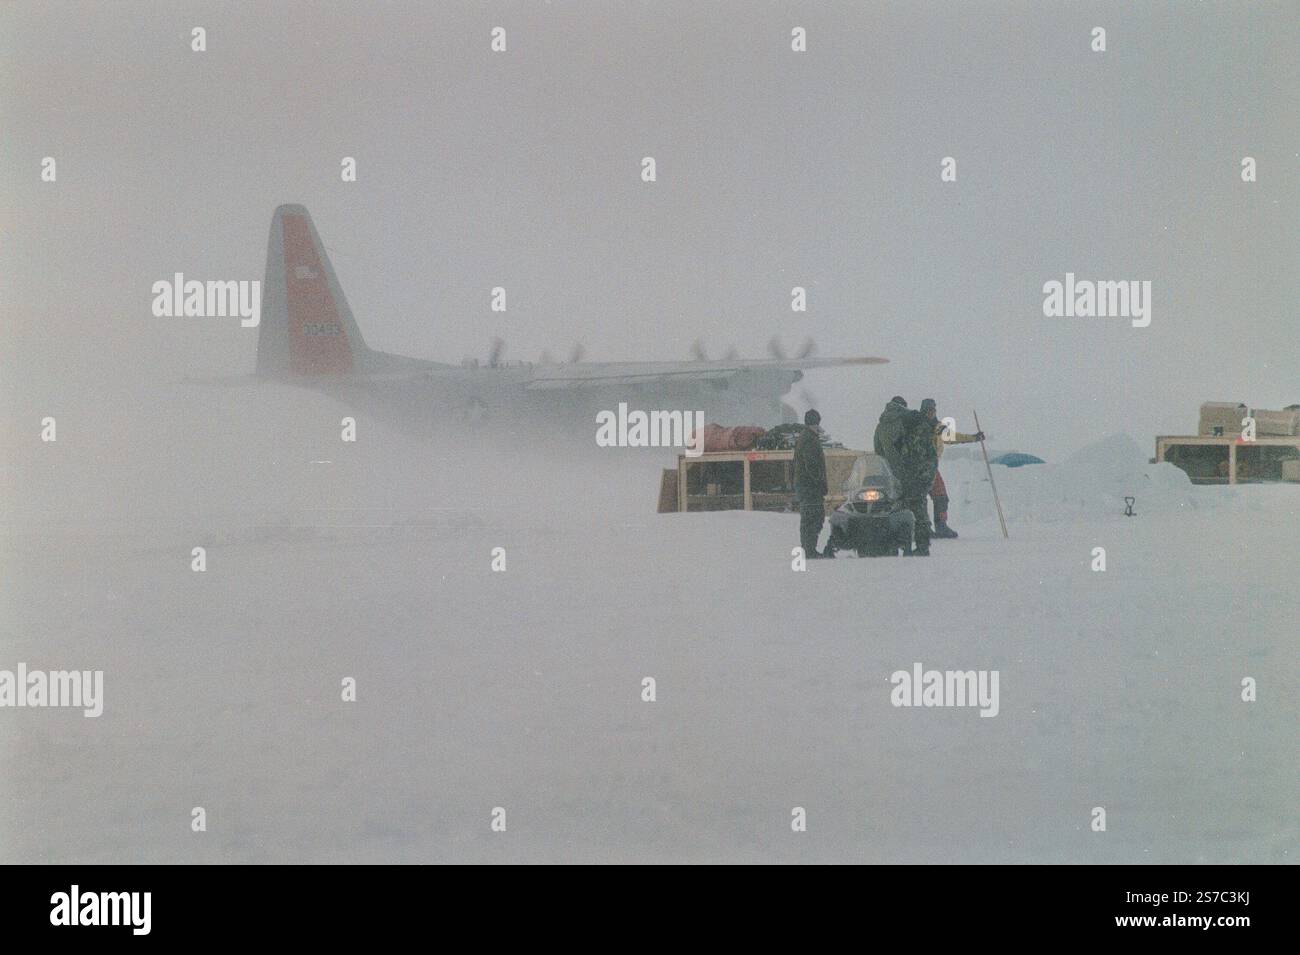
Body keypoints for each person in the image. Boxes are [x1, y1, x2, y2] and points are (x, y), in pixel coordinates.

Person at [873, 397, 937, 555]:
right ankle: (921, 546)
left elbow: (878, 451)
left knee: (895, 510)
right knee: (918, 509)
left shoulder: (881, 425)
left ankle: (895, 546)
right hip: (910, 473)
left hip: (889, 476)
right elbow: (916, 450)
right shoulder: (908, 421)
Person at [919, 398, 984, 539]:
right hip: (921, 467)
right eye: (929, 410)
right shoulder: (921, 427)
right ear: (924, 411)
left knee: (940, 496)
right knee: (922, 498)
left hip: (931, 467)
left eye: (933, 410)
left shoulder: (937, 427)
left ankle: (939, 526)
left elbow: (952, 437)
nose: (931, 412)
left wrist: (972, 438)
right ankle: (925, 528)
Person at [793, 409, 831, 559]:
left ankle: (808, 549)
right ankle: (809, 550)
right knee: (813, 518)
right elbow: (812, 466)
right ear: (815, 423)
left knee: (809, 518)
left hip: (805, 487)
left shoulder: (805, 437)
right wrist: (820, 483)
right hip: (810, 488)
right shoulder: (810, 439)